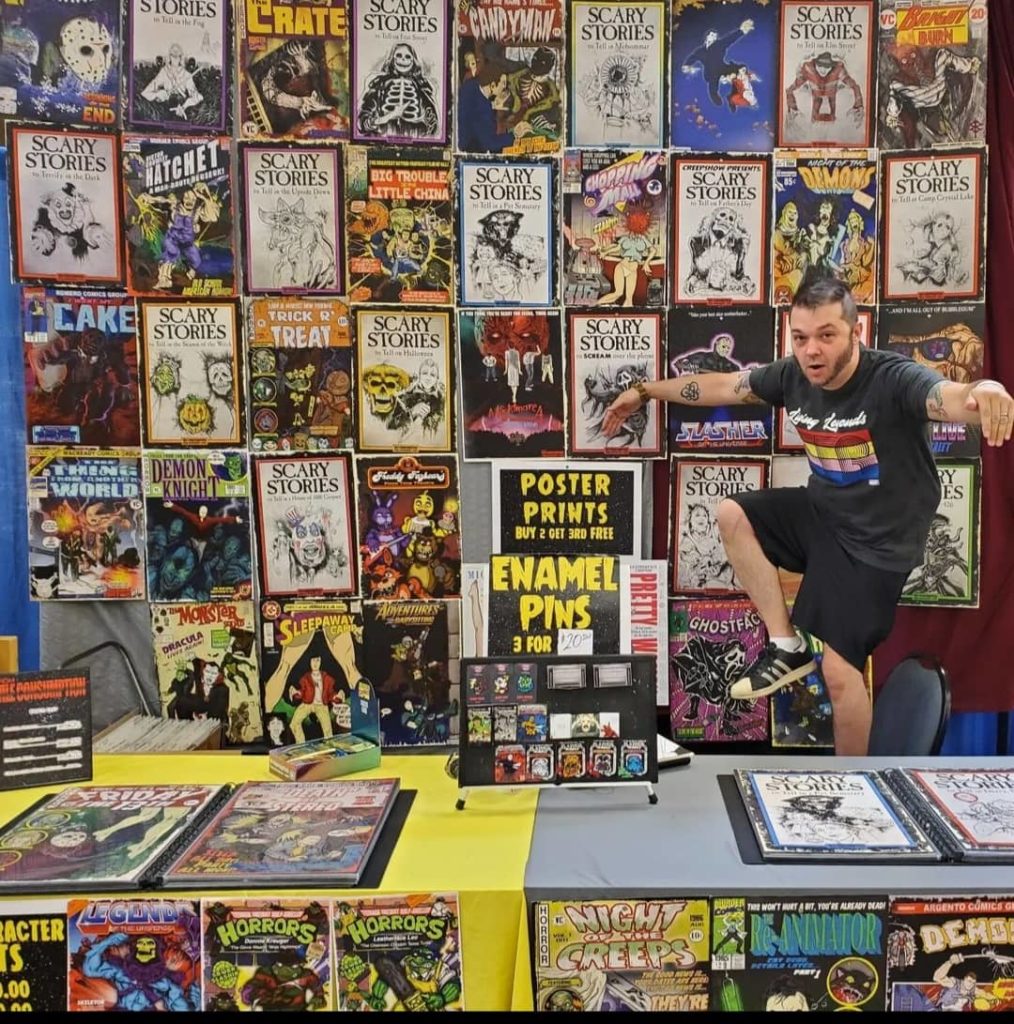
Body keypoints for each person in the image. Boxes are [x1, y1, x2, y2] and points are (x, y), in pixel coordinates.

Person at [603, 274, 1014, 755]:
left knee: (840, 673)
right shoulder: (792, 375)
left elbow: (948, 396)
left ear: (855, 332)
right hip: (825, 515)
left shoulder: (892, 378)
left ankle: (854, 785)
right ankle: (786, 645)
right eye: (800, 338)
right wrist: (645, 390)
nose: (811, 350)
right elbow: (724, 385)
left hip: (878, 546)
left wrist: (986, 389)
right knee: (734, 514)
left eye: (826, 335)